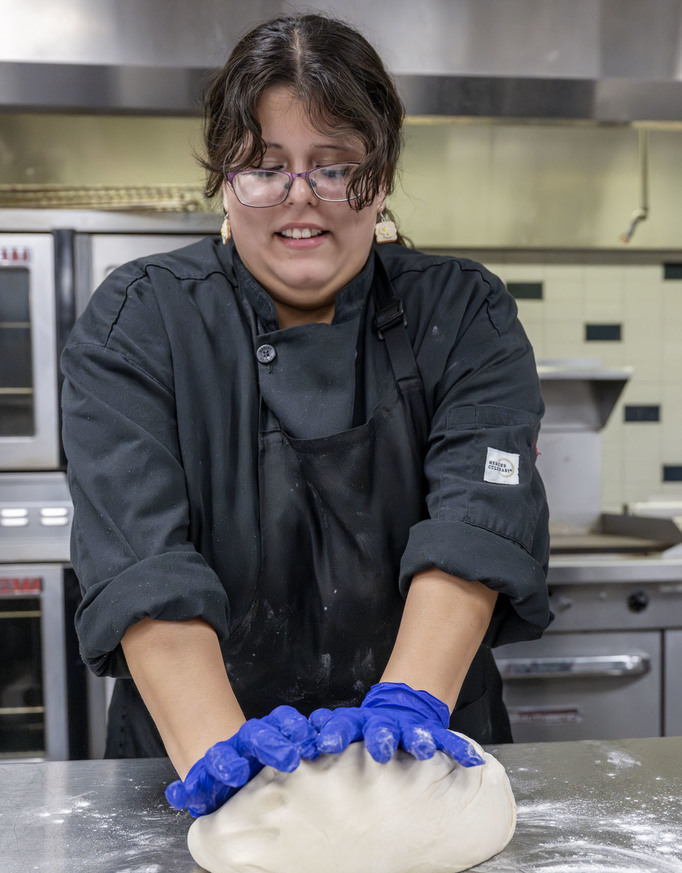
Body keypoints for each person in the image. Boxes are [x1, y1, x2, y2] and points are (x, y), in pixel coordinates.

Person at [61, 13, 551, 817]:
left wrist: (404, 723)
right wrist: (233, 773)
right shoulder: (138, 321)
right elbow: (143, 563)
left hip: (422, 771)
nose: (301, 200)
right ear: (224, 177)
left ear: (381, 176)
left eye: (335, 168)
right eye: (264, 166)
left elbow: (477, 520)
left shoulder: (465, 313)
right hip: (196, 772)